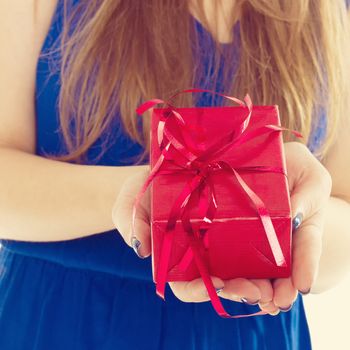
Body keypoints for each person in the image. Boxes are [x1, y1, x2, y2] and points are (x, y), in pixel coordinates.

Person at [0, 0, 349, 349]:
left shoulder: (333, 12)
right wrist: (158, 194)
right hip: (62, 323)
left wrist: (296, 222)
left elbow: (342, 212)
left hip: (249, 330)